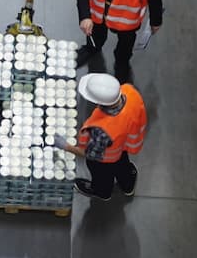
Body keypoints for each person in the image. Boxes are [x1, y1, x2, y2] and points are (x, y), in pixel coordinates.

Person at [53, 72, 147, 200]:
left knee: (102, 177)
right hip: (122, 146)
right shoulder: (130, 91)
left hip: (104, 160)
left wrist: (65, 146)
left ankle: (102, 192)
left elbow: (89, 153)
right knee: (122, 165)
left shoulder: (102, 129)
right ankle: (127, 185)